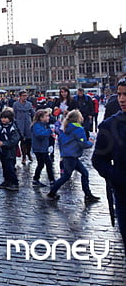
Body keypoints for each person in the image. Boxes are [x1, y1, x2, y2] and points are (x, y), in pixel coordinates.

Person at [92, 77, 126, 249]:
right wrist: (117, 177)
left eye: (125, 94)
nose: (121, 99)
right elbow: (98, 160)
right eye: (119, 94)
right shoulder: (110, 125)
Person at [47, 109, 100, 202]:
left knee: (83, 173)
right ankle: (52, 192)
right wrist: (90, 143)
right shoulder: (79, 129)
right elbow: (82, 143)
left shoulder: (64, 128)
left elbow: (60, 142)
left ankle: (88, 194)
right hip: (72, 156)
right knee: (67, 176)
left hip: (68, 155)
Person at [0, 109, 21, 191]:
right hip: (2, 150)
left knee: (10, 167)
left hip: (10, 151)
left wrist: (4, 143)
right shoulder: (1, 127)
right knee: (4, 166)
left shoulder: (13, 128)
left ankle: (14, 182)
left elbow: (15, 140)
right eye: (2, 118)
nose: (3, 120)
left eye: (5, 118)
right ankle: (7, 181)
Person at [31, 109, 55, 187]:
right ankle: (52, 180)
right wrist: (49, 131)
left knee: (41, 164)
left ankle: (36, 179)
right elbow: (39, 135)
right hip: (39, 148)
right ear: (41, 118)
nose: (48, 118)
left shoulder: (44, 125)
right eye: (47, 116)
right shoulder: (37, 125)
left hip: (42, 148)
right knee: (48, 164)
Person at [13, 90, 35, 163]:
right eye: (23, 96)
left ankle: (28, 153)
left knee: (29, 140)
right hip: (19, 124)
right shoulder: (15, 104)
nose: (25, 97)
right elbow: (14, 114)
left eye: (26, 95)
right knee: (22, 140)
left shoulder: (29, 104)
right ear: (20, 96)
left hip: (28, 123)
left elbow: (33, 114)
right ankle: (24, 156)